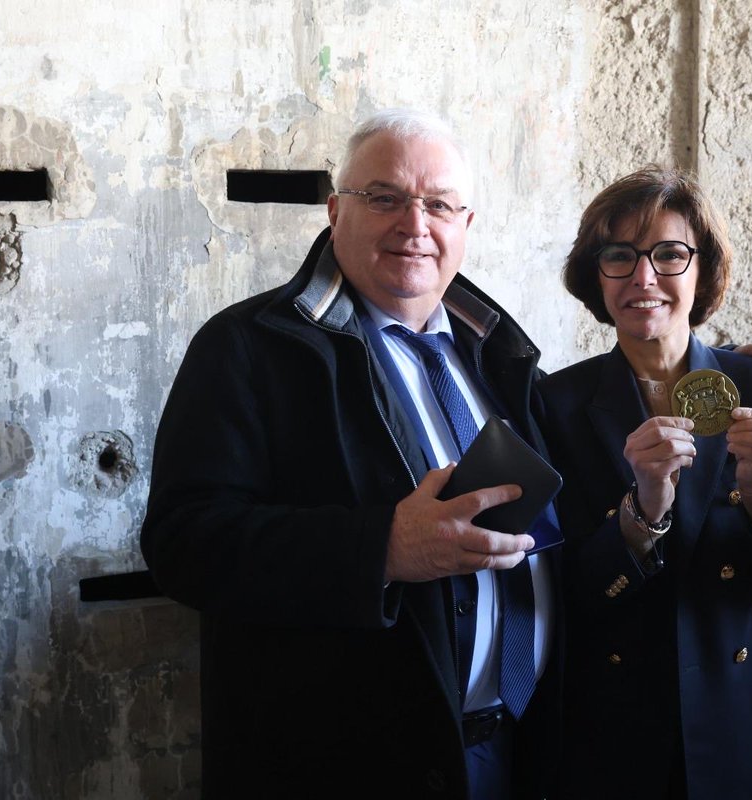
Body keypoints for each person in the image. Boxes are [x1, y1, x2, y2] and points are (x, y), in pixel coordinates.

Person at [141, 109, 559, 799]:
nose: (415, 224)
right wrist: (382, 549)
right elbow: (183, 544)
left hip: (516, 753)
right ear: (336, 212)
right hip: (347, 768)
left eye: (439, 205)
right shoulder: (247, 347)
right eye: (385, 198)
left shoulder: (497, 353)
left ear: (466, 225)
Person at [537, 166, 752, 799]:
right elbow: (567, 593)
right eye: (619, 256)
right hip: (621, 733)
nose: (644, 278)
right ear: (596, 276)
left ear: (703, 269)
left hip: (746, 722)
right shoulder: (555, 404)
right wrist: (641, 513)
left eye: (669, 254)